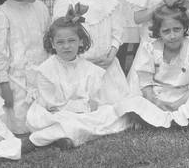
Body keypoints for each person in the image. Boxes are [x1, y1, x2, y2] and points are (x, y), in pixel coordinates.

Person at [25, 11, 132, 149]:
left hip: (83, 114)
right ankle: (63, 135)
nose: (66, 46)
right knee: (61, 120)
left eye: (71, 41)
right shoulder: (46, 70)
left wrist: (86, 108)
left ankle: (63, 136)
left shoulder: (89, 69)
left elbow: (94, 102)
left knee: (109, 113)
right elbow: (52, 105)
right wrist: (81, 107)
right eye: (60, 42)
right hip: (57, 113)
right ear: (52, 44)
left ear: (81, 41)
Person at [117, 1, 189, 129]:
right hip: (158, 100)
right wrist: (156, 102)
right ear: (158, 32)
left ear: (185, 28)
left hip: (185, 99)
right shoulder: (150, 49)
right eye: (166, 31)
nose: (172, 36)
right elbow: (146, 84)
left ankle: (162, 120)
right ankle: (180, 121)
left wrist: (176, 104)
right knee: (129, 102)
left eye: (177, 29)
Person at [0, 0, 51, 134]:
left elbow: (47, 39)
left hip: (40, 72)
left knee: (42, 117)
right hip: (15, 79)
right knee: (18, 118)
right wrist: (3, 84)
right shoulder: (2, 14)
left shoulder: (40, 7)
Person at [51, 0, 128, 92]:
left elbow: (117, 33)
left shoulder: (107, 0)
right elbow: (60, 34)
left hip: (106, 67)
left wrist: (110, 56)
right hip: (77, 67)